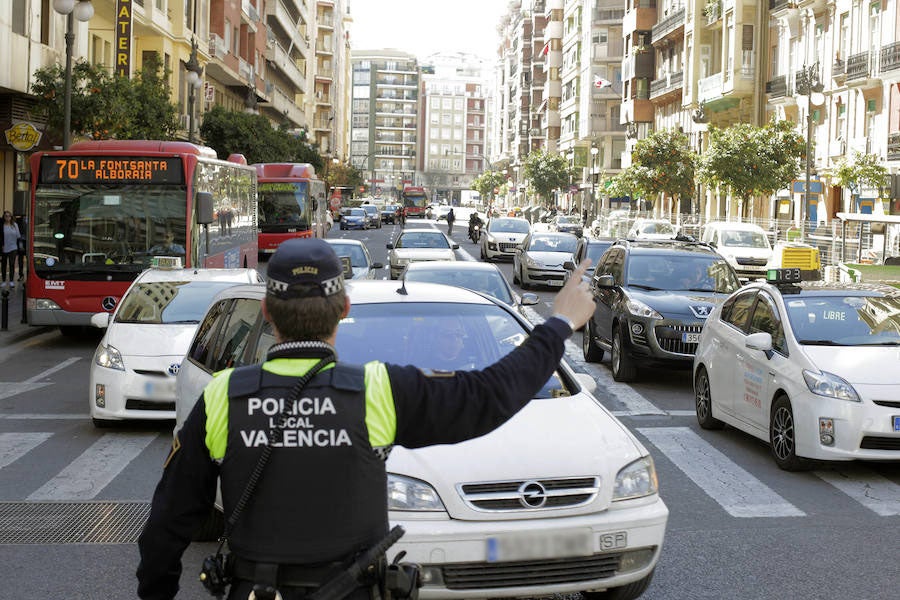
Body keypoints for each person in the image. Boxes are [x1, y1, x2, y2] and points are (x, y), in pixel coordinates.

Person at [136, 237, 595, 600]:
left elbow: (167, 526)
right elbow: (491, 395)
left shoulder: (223, 395)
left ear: (266, 312)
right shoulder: (377, 390)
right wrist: (557, 324)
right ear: (344, 311)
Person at [1, 210, 22, 289]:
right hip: (4, 248)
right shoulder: (2, 226)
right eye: (6, 216)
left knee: (12, 264)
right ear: (4, 217)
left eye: (9, 216)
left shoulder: (15, 225)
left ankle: (11, 281)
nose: (7, 217)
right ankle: (3, 281)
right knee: (4, 265)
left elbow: (18, 236)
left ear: (11, 217)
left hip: (13, 247)